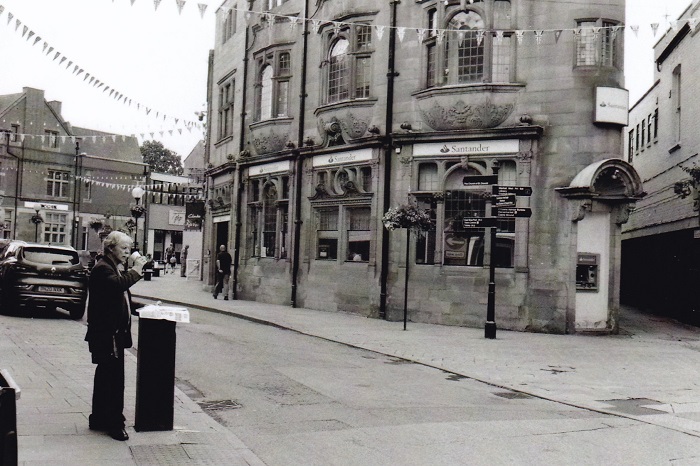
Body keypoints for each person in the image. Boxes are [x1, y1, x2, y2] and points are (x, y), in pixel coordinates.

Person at [84, 231, 147, 441]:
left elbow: (120, 297)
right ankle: (114, 424)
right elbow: (117, 286)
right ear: (111, 248)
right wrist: (137, 271)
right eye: (124, 248)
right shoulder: (103, 269)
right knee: (114, 379)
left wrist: (142, 307)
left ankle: (99, 418)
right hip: (107, 334)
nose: (127, 252)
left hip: (110, 333)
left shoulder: (112, 267)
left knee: (105, 376)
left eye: (129, 248)